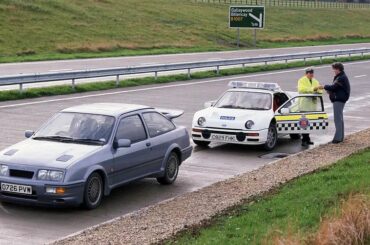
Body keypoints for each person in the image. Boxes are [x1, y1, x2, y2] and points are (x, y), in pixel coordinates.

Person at [315, 62, 350, 144]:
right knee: (340, 119)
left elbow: (333, 87)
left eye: (334, 69)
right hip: (340, 99)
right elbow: (335, 88)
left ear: (338, 69)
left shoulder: (341, 77)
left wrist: (323, 86)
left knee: (337, 119)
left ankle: (337, 139)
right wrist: (328, 90)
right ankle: (340, 137)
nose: (333, 70)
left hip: (339, 100)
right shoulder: (341, 76)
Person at [297, 67, 322, 146]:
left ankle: (307, 139)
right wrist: (314, 89)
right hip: (304, 105)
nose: (311, 74)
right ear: (306, 74)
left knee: (309, 123)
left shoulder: (315, 81)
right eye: (309, 73)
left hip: (312, 105)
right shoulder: (301, 80)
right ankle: (304, 140)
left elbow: (320, 90)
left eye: (312, 73)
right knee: (304, 123)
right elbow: (301, 89)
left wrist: (318, 91)